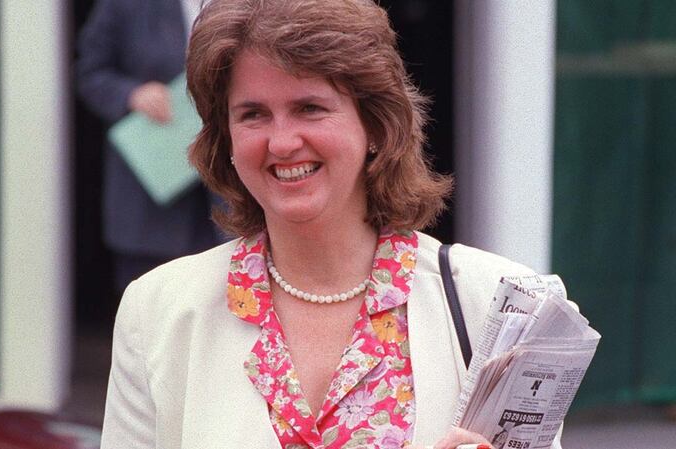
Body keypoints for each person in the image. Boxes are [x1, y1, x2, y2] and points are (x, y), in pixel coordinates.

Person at [100, 0, 565, 448]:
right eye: (253, 114)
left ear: (377, 127)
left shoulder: (501, 306)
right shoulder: (157, 313)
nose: (282, 142)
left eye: (310, 108)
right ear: (226, 140)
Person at [77, 0, 222, 291]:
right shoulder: (125, 6)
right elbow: (88, 72)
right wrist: (132, 95)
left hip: (225, 197)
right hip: (152, 196)